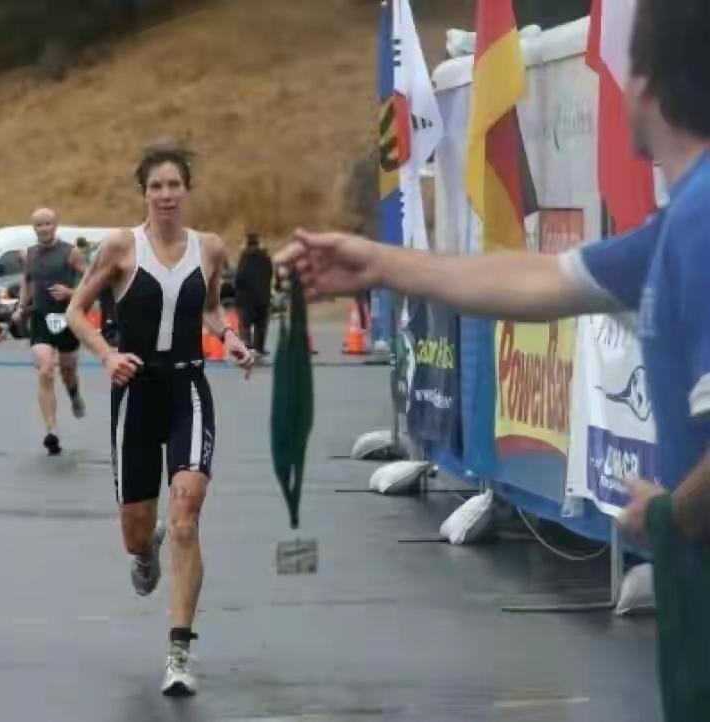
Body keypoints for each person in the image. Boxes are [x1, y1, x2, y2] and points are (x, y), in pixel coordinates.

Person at [277, 0, 708, 717]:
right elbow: (542, 280)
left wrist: (670, 515)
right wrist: (381, 263)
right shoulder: (678, 224)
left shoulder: (701, 222)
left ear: (647, 84)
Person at [66, 144, 253, 697]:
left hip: (188, 389)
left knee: (187, 518)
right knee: (136, 533)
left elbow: (210, 309)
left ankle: (179, 653)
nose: (166, 195)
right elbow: (76, 311)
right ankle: (144, 552)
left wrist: (230, 337)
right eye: (156, 186)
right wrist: (107, 355)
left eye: (175, 185)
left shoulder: (210, 248)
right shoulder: (121, 247)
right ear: (144, 193)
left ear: (187, 190)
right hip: (136, 393)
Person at [11, 208, 88, 455]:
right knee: (45, 369)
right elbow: (27, 281)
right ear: (33, 228)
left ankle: (74, 394)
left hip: (66, 318)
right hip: (40, 317)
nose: (43, 228)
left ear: (55, 225)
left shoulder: (71, 252)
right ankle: (51, 431)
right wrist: (21, 307)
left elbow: (92, 281)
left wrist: (70, 292)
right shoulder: (28, 254)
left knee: (67, 370)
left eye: (47, 223)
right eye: (39, 225)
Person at [234, 231, 274, 355]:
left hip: (246, 299)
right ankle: (259, 348)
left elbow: (239, 277)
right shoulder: (266, 257)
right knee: (261, 326)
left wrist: (237, 292)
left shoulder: (244, 257)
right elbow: (270, 274)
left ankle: (246, 347)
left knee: (245, 325)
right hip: (263, 298)